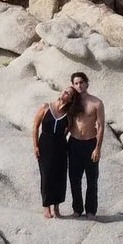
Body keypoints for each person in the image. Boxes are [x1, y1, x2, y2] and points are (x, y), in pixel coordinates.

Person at [58, 72, 104, 217]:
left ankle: (91, 211)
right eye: (76, 83)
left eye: (81, 82)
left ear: (87, 83)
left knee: (92, 179)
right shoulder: (72, 102)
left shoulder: (96, 103)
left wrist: (97, 148)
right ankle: (77, 210)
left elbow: (101, 126)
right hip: (74, 143)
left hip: (90, 143)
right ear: (73, 85)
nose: (79, 85)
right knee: (74, 178)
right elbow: (64, 120)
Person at [32, 86, 78, 219]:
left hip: (60, 146)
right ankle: (47, 206)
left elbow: (69, 129)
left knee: (59, 176)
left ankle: (57, 207)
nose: (65, 93)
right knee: (46, 175)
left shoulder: (69, 114)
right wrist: (35, 146)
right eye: (64, 90)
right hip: (45, 144)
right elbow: (35, 126)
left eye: (68, 93)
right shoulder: (46, 107)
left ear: (71, 98)